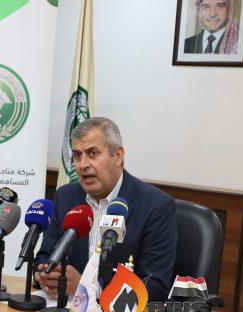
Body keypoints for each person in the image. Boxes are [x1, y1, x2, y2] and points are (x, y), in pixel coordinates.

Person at [34, 117, 177, 302]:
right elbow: (45, 257)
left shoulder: (155, 206)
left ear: (118, 156)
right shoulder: (66, 197)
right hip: (64, 309)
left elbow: (155, 286)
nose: (83, 164)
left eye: (92, 153)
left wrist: (88, 289)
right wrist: (46, 276)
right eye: (77, 155)